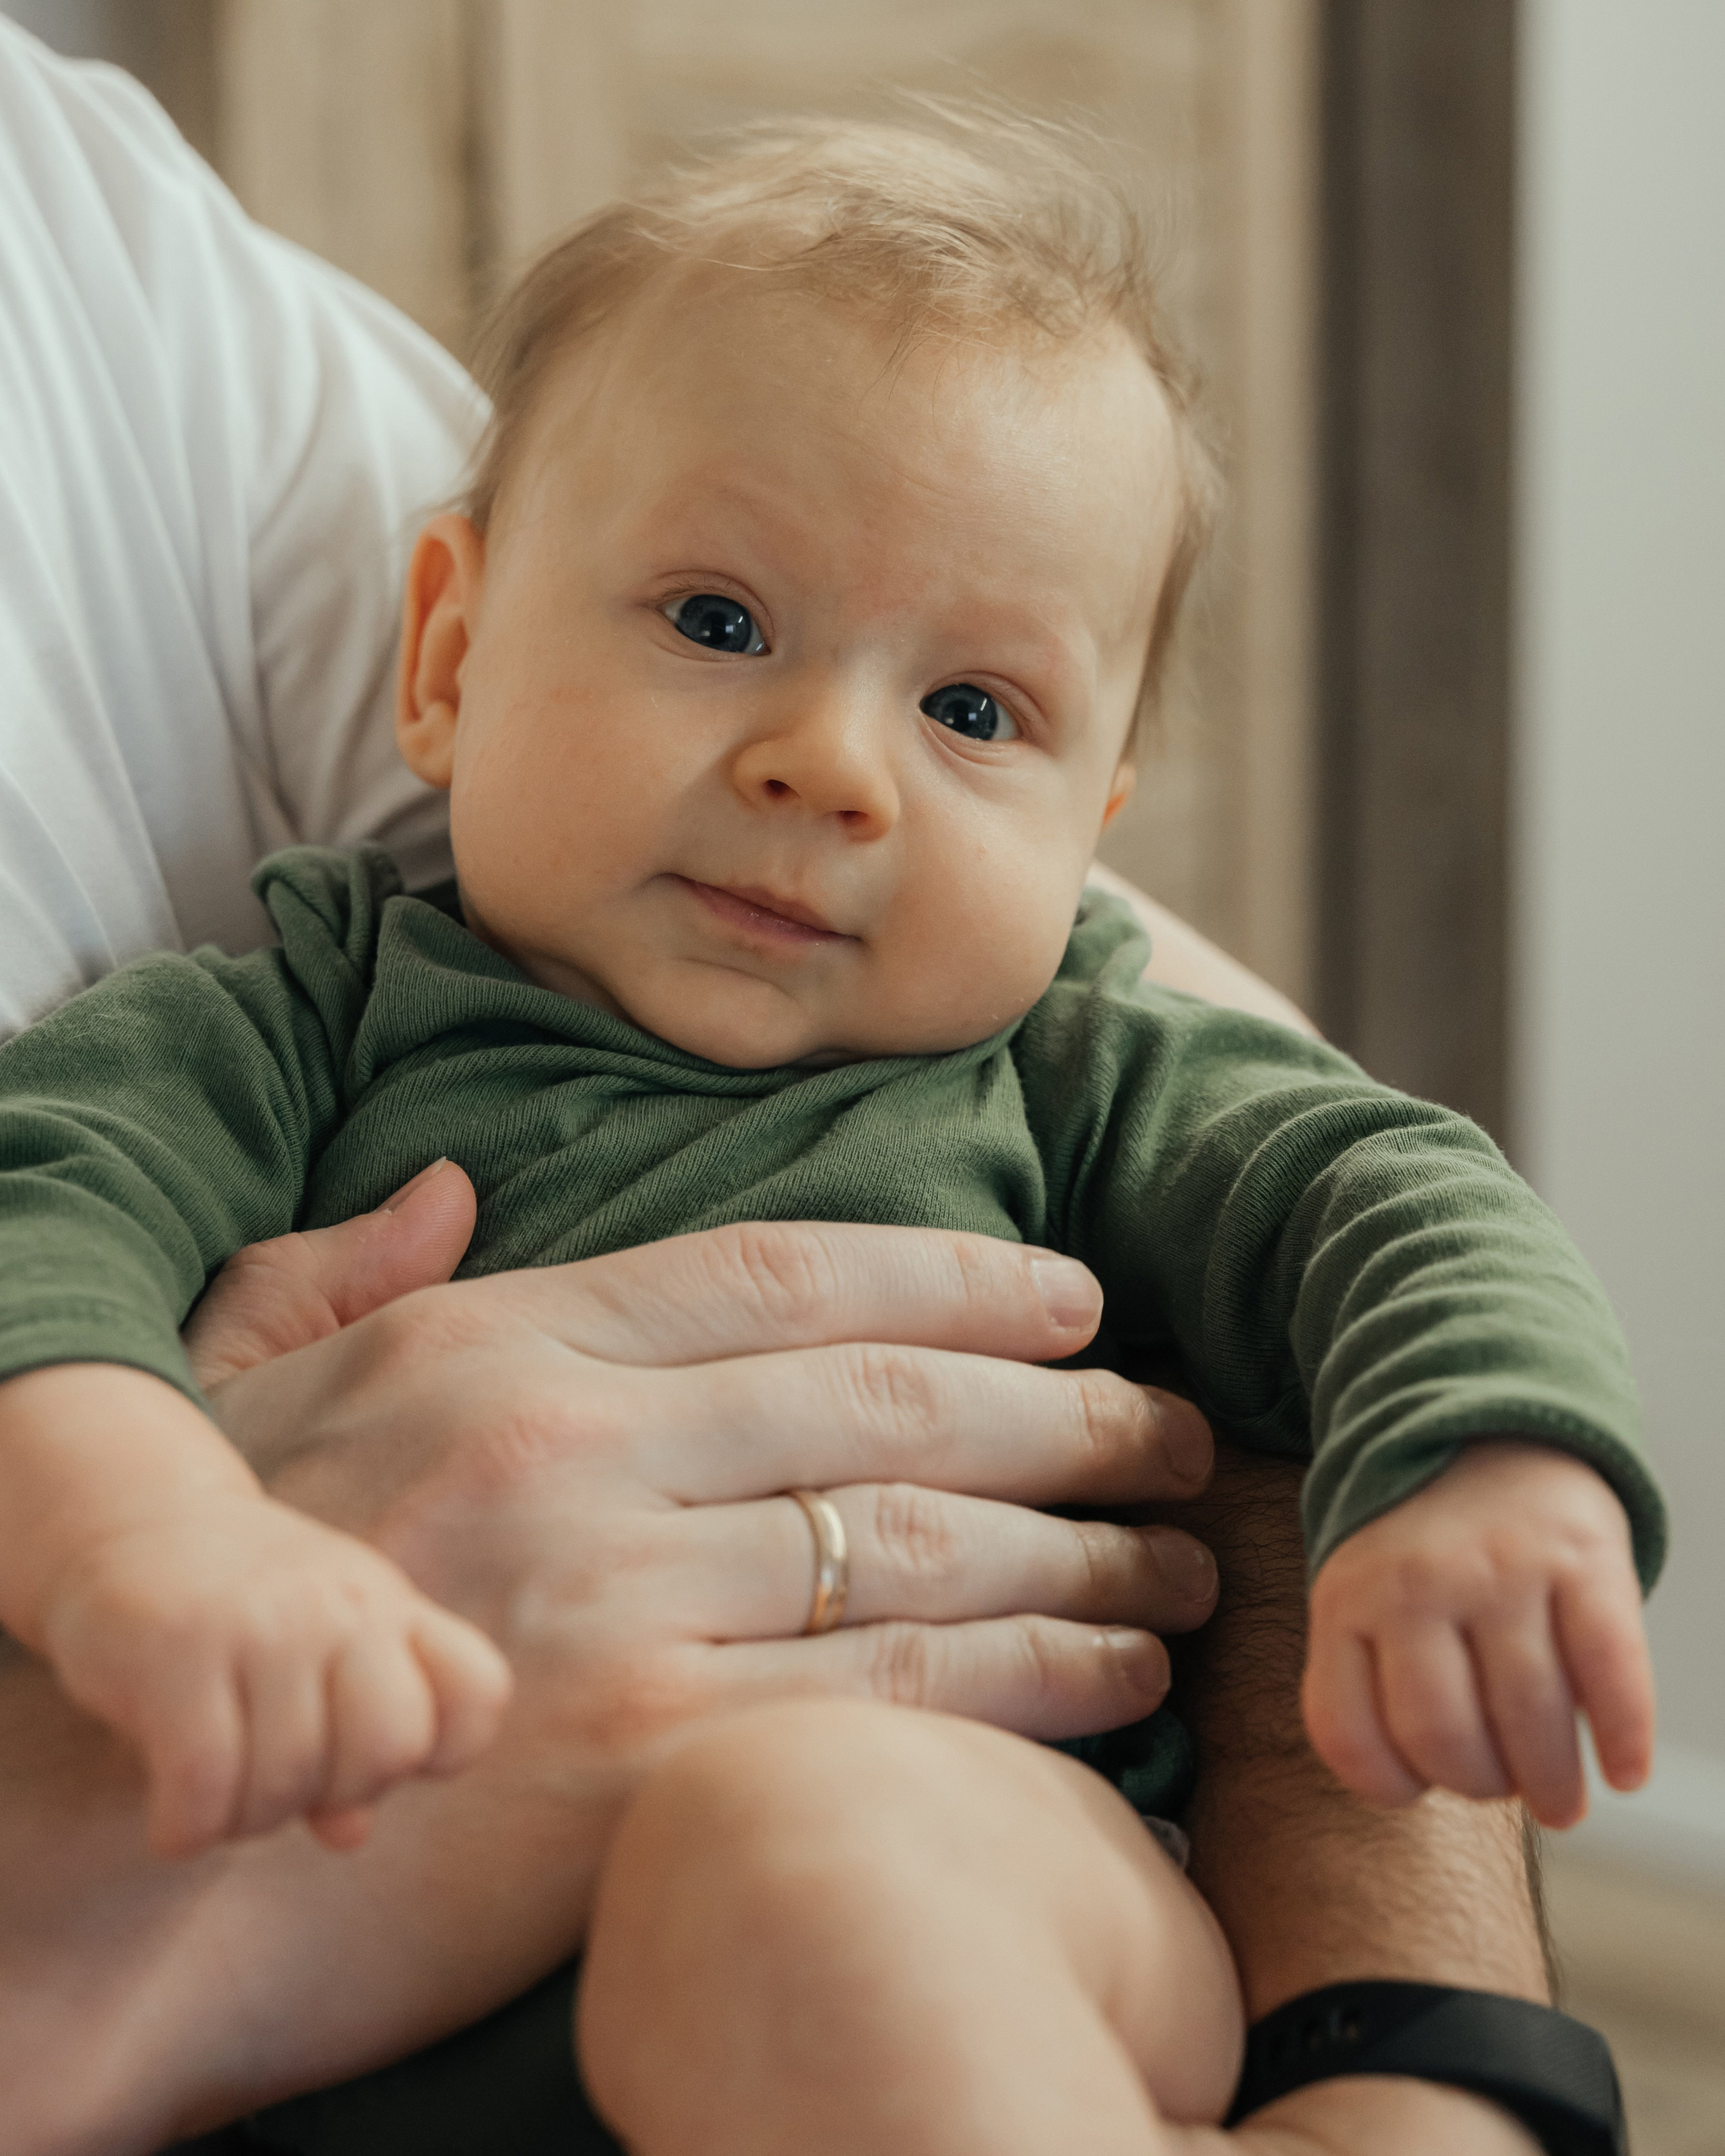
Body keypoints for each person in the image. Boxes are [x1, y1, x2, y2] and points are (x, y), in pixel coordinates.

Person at [0, 65, 1656, 2154]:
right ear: (445, 648)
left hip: (985, 1875)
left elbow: (1390, 1192)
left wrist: (1489, 1466)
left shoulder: (1066, 1056)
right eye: (718, 621)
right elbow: (36, 1244)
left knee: (804, 1853)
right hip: (338, 1996)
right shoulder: (300, 1012)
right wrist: (150, 1544)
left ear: (1090, 829)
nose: (833, 765)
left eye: (976, 711)